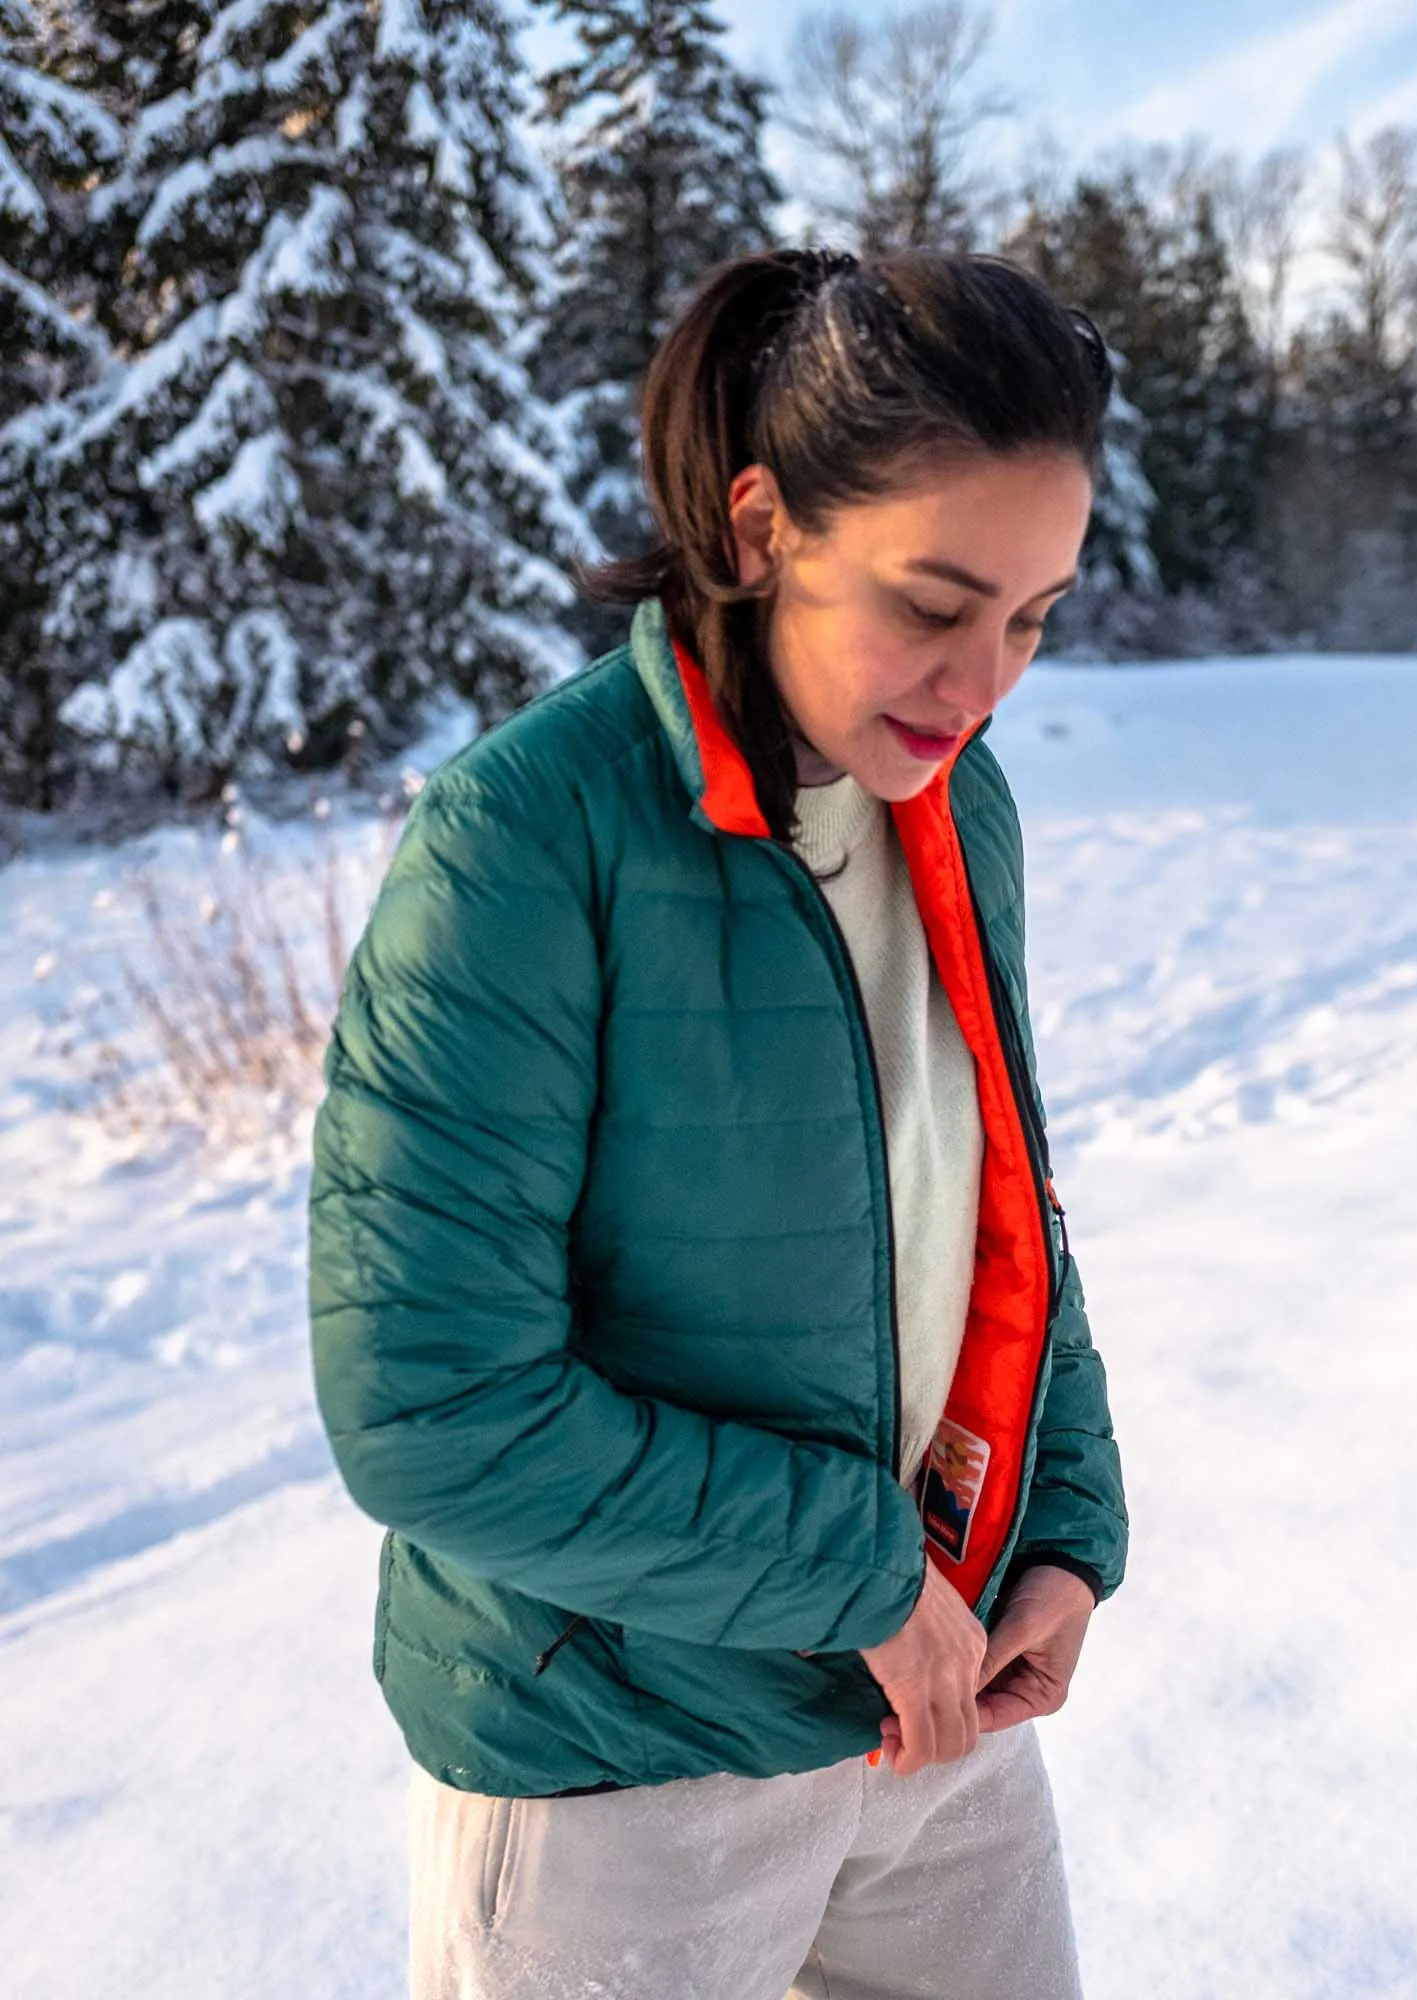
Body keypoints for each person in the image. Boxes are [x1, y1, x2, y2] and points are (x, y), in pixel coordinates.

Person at [309, 245, 1129, 2000]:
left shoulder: (952, 800)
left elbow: (994, 1206)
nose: (985, 678)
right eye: (934, 599)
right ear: (762, 531)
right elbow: (432, 1412)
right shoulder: (525, 842)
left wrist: (1063, 1521)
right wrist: (857, 1572)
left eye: (1035, 615)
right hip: (625, 1765)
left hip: (936, 1708)